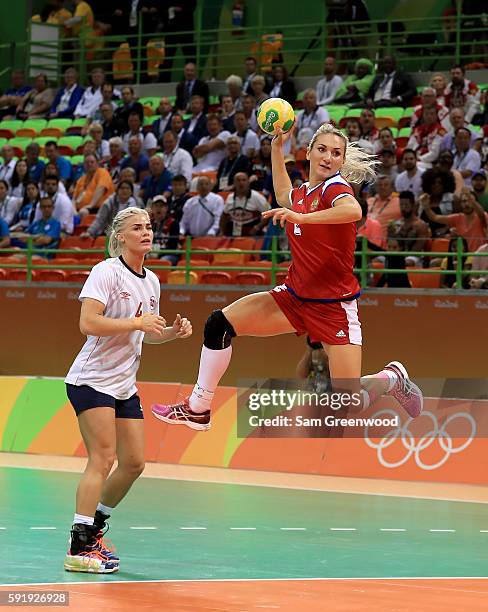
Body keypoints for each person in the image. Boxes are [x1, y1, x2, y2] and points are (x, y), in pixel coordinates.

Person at [151, 123, 423, 430]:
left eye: (336, 153)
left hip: (334, 307)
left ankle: (391, 378)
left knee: (348, 402)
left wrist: (301, 217)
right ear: (308, 152)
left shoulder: (336, 188)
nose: (328, 158)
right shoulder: (304, 193)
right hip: (293, 297)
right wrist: (277, 148)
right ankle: (198, 407)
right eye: (321, 150)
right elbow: (283, 193)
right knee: (218, 324)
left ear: (342, 161)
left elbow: (353, 211)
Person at [63, 206, 193, 573]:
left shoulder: (152, 280)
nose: (146, 232)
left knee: (134, 463)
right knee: (102, 459)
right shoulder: (105, 271)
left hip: (123, 384)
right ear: (120, 236)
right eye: (137, 228)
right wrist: (138, 321)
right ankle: (78, 545)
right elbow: (88, 323)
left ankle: (94, 531)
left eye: (149, 227)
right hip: (91, 380)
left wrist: (167, 334)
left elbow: (142, 335)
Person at [421, 187, 488, 253]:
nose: (467, 204)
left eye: (470, 201)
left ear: (475, 202)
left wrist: (469, 197)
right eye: (464, 201)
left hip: (478, 256)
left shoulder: (482, 215)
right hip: (461, 257)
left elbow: (481, 213)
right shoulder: (457, 218)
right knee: (434, 263)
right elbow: (434, 217)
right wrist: (426, 206)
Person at [219, 172, 269, 237]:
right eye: (238, 180)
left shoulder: (257, 197)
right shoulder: (230, 197)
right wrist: (222, 231)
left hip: (252, 233)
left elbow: (268, 214)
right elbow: (224, 215)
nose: (241, 183)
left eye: (244, 180)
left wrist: (257, 227)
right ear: (234, 183)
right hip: (234, 233)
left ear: (248, 182)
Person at [390, 191, 430, 266]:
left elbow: (418, 248)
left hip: (415, 257)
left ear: (413, 205)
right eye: (401, 205)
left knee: (406, 262)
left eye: (406, 205)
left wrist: (401, 257)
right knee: (380, 259)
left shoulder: (421, 225)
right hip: (397, 255)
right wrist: (391, 233)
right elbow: (390, 245)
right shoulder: (396, 224)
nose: (403, 208)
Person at [149, 195, 180, 264]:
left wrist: (158, 254)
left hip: (169, 254)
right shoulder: (148, 223)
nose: (158, 208)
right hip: (151, 253)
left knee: (163, 261)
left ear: (166, 208)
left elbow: (173, 246)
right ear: (152, 208)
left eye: (161, 206)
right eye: (156, 206)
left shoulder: (173, 223)